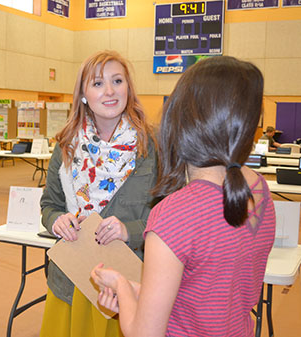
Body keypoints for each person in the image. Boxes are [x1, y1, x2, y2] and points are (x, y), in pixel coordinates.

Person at [91, 56, 276, 336]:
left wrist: (121, 286)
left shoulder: (176, 214)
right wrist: (134, 292)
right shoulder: (260, 191)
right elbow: (203, 294)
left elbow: (145, 334)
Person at [40, 50, 158, 337]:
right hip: (72, 276)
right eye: (97, 83)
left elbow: (172, 217)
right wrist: (56, 220)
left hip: (130, 280)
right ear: (83, 94)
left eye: (117, 81)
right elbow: (49, 205)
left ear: (128, 88)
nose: (109, 91)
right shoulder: (66, 145)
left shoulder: (153, 145)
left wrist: (129, 230)